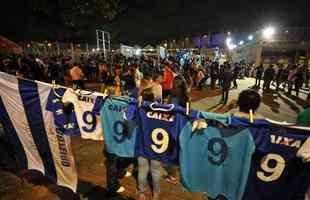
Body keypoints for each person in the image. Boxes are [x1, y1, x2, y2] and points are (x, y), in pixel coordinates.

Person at [138, 88, 161, 200]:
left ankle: (142, 193)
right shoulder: (160, 110)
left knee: (142, 169)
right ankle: (156, 194)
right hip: (156, 145)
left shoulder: (138, 109)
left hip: (142, 143)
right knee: (155, 170)